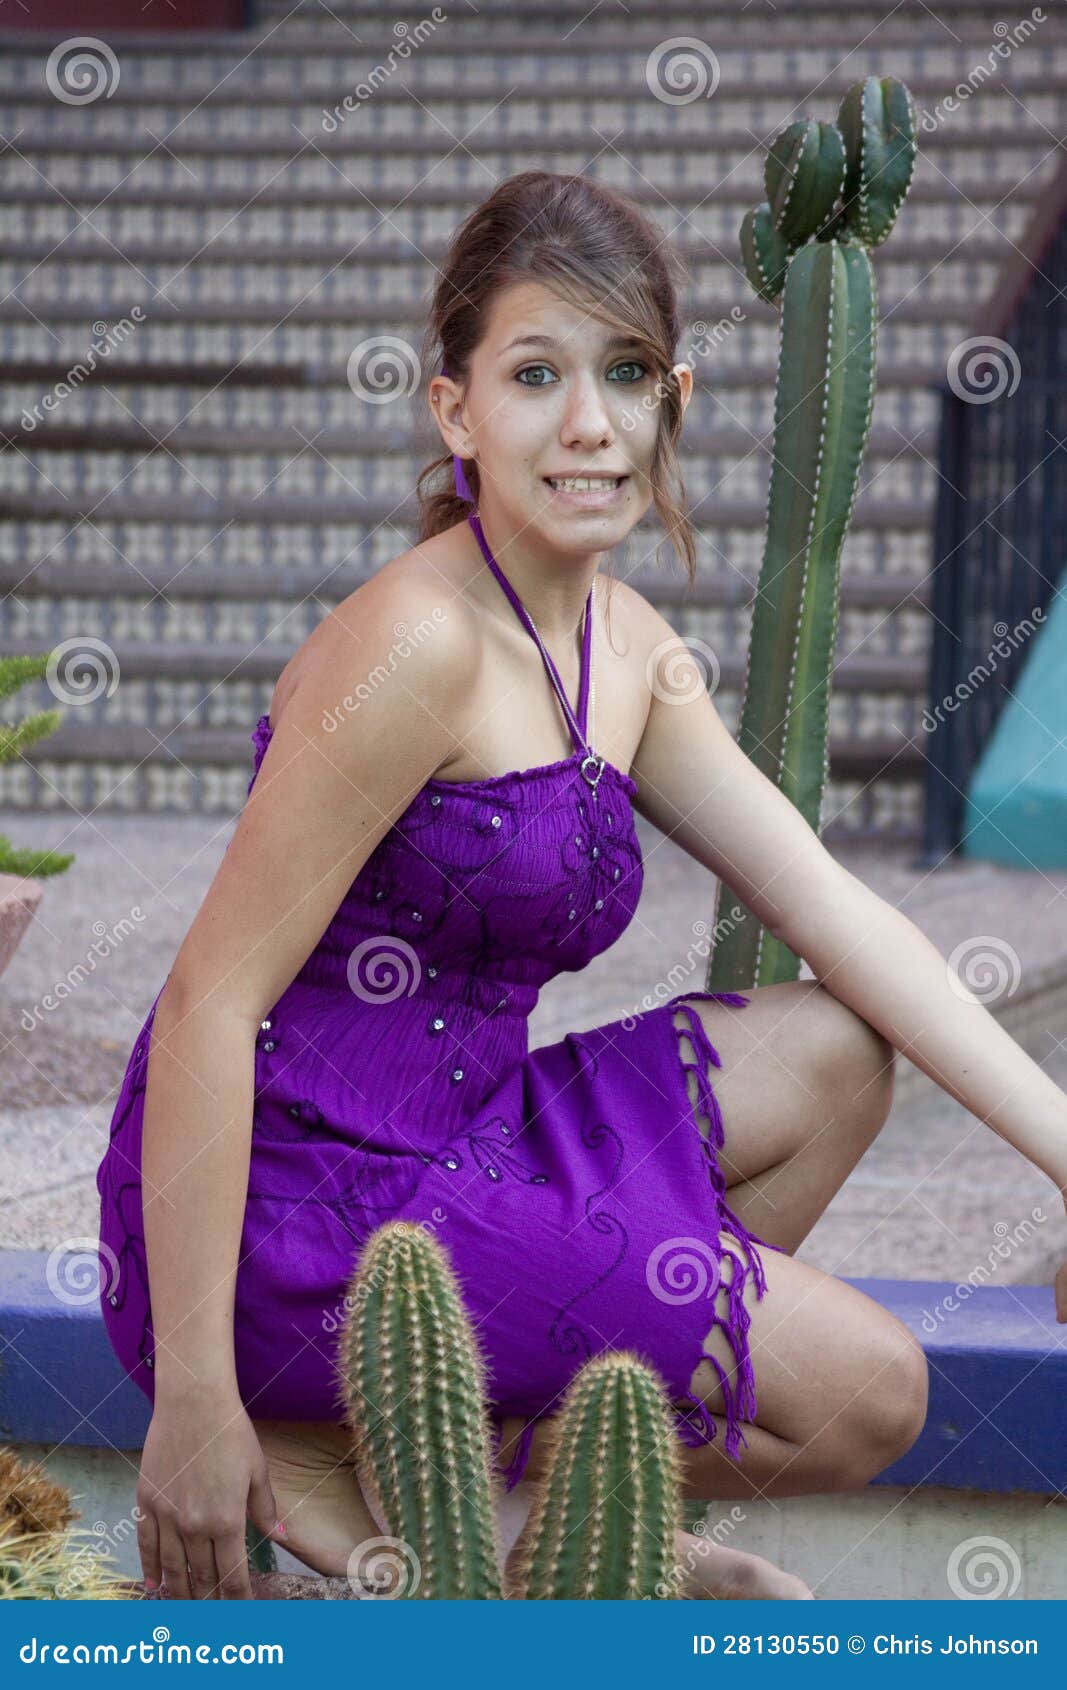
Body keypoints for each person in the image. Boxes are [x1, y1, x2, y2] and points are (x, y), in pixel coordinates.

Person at [96, 171, 1067, 1603]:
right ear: (457, 411)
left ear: (672, 395)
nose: (591, 423)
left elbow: (837, 909)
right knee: (874, 1391)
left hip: (461, 1139)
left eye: (624, 373)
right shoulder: (419, 645)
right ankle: (397, 1473)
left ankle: (527, 1506)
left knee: (837, 1047)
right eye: (536, 375)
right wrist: (191, 1399)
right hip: (292, 1212)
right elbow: (205, 998)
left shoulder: (627, 650)